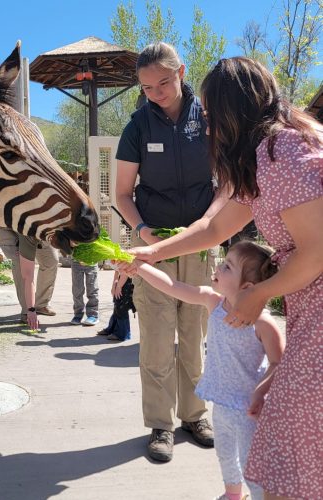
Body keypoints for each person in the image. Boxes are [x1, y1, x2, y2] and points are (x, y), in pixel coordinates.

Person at [121, 57, 323, 499]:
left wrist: (261, 294)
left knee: (294, 455)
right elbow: (213, 229)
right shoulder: (265, 159)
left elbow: (317, 249)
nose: (209, 130)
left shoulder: (282, 153)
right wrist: (150, 252)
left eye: (213, 117)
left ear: (236, 113)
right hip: (309, 310)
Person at [116, 41, 230, 462]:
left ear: (181, 71)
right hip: (156, 247)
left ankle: (195, 415)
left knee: (197, 338)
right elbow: (124, 194)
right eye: (147, 87)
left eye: (164, 82)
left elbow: (229, 183)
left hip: (202, 246)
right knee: (159, 341)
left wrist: (211, 227)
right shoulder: (137, 128)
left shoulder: (210, 120)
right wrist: (144, 234)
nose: (157, 92)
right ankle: (160, 426)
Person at [127, 240, 284, 500]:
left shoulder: (263, 323)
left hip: (250, 410)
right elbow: (172, 286)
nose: (219, 267)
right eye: (224, 262)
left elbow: (279, 362)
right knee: (224, 453)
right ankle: (232, 494)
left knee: (251, 464)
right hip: (221, 403)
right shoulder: (214, 302)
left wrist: (261, 391)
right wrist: (139, 267)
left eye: (228, 267)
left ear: (247, 287)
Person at [0, 227, 59, 325]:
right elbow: (28, 277)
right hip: (8, 225)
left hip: (37, 228)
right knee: (21, 266)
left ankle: (41, 304)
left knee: (51, 261)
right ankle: (26, 310)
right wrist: (30, 310)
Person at [97, 271, 135, 341]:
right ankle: (112, 329)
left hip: (128, 279)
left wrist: (119, 286)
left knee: (122, 307)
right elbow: (117, 270)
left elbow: (125, 271)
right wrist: (114, 285)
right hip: (122, 278)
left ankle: (123, 334)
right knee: (117, 305)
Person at [70, 259, 99, 326]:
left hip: (91, 261)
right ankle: (78, 314)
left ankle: (93, 315)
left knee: (92, 289)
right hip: (76, 261)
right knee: (77, 290)